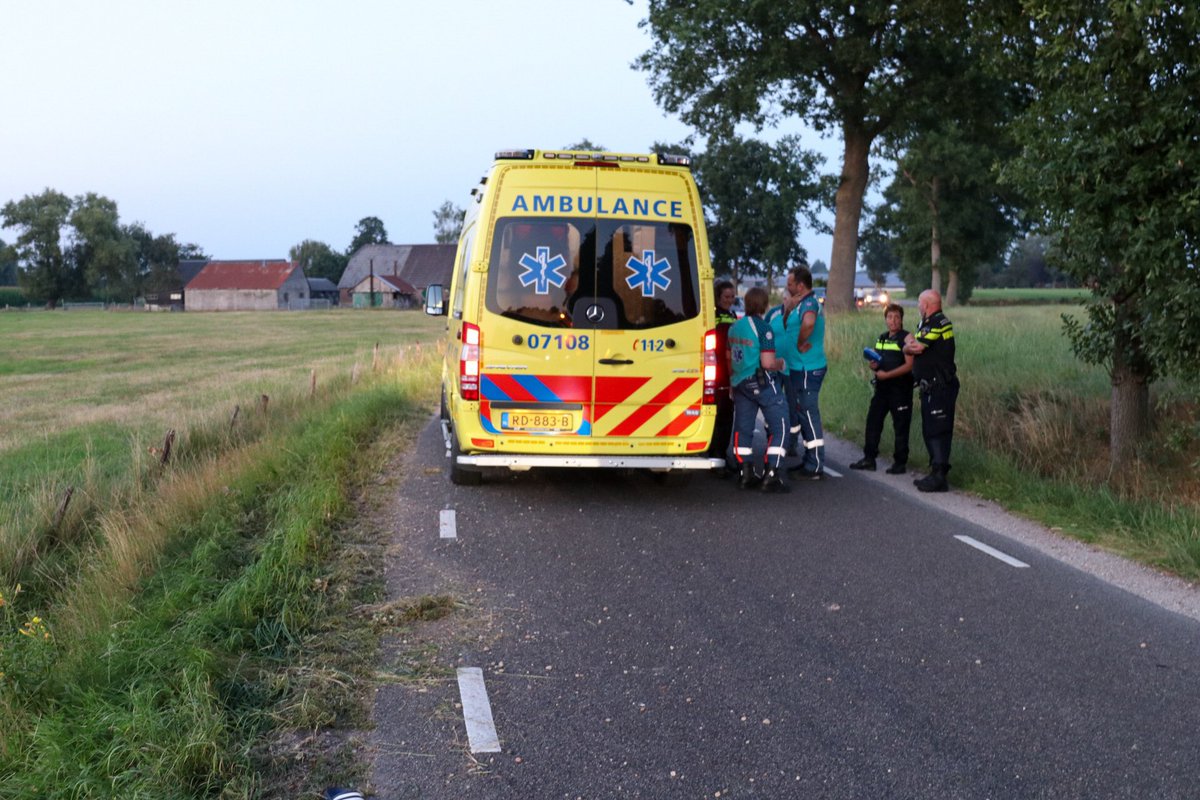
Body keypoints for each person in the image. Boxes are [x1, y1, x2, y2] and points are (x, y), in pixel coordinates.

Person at [727, 287, 790, 493]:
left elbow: (729, 358)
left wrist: (732, 383)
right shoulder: (764, 329)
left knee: (743, 427)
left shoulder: (734, 327)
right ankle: (772, 474)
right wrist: (781, 363)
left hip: (740, 383)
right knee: (781, 425)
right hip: (761, 382)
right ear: (764, 305)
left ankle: (745, 473)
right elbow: (767, 362)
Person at [904, 289, 959, 492]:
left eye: (919, 303)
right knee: (931, 430)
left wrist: (906, 346)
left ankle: (939, 476)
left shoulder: (937, 322)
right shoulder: (929, 322)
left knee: (938, 431)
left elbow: (917, 348)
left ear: (926, 304)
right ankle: (935, 472)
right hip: (932, 386)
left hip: (940, 387)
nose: (918, 306)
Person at [850, 303, 914, 474]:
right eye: (890, 317)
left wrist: (888, 375)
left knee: (901, 427)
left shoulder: (907, 337)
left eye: (897, 317)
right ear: (885, 319)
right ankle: (869, 459)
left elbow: (909, 366)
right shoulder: (882, 338)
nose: (893, 320)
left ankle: (900, 463)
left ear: (901, 319)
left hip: (900, 390)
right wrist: (874, 366)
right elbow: (878, 361)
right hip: (882, 389)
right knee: (873, 422)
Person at [785, 266, 827, 479]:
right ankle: (810, 459)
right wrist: (788, 309)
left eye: (790, 284)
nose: (787, 287)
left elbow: (809, 323)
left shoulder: (809, 303)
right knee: (803, 413)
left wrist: (801, 342)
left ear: (800, 286)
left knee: (809, 414)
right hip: (799, 368)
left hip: (807, 368)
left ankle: (816, 464)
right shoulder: (800, 303)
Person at [765, 269, 803, 455]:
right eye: (787, 299)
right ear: (783, 299)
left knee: (792, 404)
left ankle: (792, 441)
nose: (790, 303)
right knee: (772, 402)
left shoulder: (800, 315)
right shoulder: (773, 314)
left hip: (793, 368)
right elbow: (763, 334)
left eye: (793, 300)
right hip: (773, 366)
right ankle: (771, 436)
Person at [710, 280, 738, 471]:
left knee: (727, 416)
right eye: (726, 296)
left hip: (729, 371)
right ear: (718, 297)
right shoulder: (714, 316)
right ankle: (717, 455)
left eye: (732, 296)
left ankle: (721, 454)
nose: (730, 300)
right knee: (720, 416)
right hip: (718, 371)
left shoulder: (732, 315)